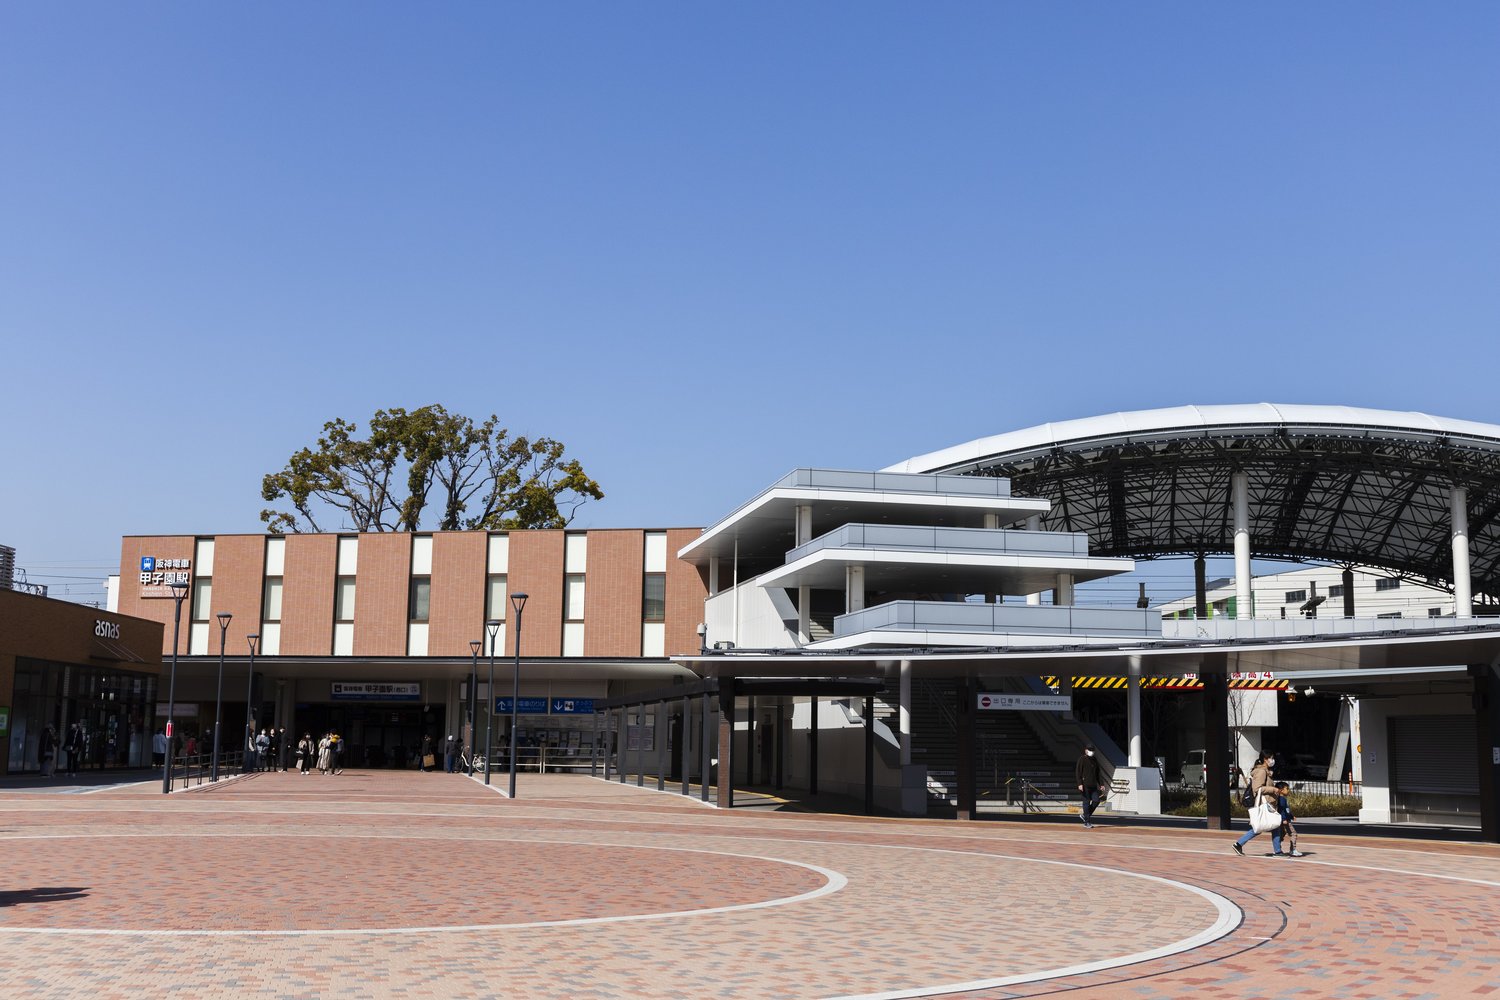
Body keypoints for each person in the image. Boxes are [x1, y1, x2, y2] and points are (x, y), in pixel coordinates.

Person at [1234, 779, 1288, 856]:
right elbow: (1257, 789)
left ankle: (1278, 850)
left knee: (1271, 827)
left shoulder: (1266, 771)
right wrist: (1274, 789)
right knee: (1260, 828)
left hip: (1268, 805)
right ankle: (1277, 851)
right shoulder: (1261, 771)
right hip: (1265, 806)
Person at [1075, 744, 1106, 829]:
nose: (1091, 752)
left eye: (1092, 750)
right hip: (1085, 786)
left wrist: (1101, 784)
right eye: (1090, 750)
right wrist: (1079, 783)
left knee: (1096, 800)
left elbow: (1098, 773)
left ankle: (1085, 815)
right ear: (1086, 750)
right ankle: (1087, 822)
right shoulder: (1082, 759)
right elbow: (1078, 772)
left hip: (1093, 785)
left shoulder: (1094, 760)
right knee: (1086, 802)